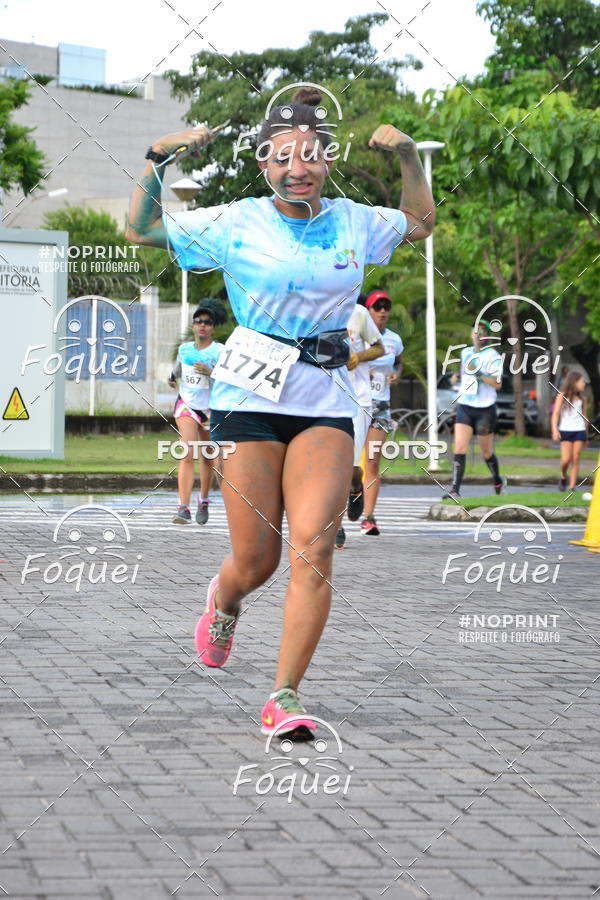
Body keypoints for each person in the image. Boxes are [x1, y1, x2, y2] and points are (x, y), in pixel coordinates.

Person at [126, 87, 435, 738]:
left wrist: (409, 156)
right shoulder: (237, 221)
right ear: (264, 163)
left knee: (315, 548)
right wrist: (157, 160)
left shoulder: (353, 220)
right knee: (256, 560)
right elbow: (143, 230)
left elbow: (418, 222)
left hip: (323, 399)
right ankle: (225, 598)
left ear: (327, 159)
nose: (298, 167)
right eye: (283, 156)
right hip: (249, 399)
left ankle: (284, 695)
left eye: (311, 155)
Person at [168, 300, 226, 524]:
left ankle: (203, 500)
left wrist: (211, 371)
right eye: (198, 321)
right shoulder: (185, 349)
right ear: (193, 326)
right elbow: (176, 370)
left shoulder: (219, 351)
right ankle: (183, 508)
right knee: (187, 452)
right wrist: (172, 379)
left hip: (210, 409)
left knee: (208, 457)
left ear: (213, 327)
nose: (202, 325)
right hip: (187, 405)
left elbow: (228, 379)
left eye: (207, 322)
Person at [334, 303, 384, 549]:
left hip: (358, 397)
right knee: (331, 464)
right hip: (325, 398)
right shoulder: (314, 307)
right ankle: (336, 524)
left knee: (352, 469)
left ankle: (356, 488)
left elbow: (379, 348)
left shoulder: (359, 313)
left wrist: (358, 356)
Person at [443, 320, 506, 501]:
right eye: (475, 332)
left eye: (482, 332)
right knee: (460, 447)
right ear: (471, 335)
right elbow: (466, 373)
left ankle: (497, 481)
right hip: (465, 405)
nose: (478, 335)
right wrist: (458, 377)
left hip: (485, 409)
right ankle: (454, 490)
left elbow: (497, 383)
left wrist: (478, 374)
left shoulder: (493, 355)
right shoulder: (466, 352)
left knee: (485, 452)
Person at [361, 289, 404, 535]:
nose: (383, 311)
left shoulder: (394, 340)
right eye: (377, 307)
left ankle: (369, 517)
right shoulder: (356, 337)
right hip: (356, 404)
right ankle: (355, 492)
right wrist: (358, 372)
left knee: (372, 462)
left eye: (386, 307)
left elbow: (398, 360)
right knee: (347, 466)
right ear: (367, 312)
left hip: (381, 406)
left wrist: (396, 374)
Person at [551, 371, 588, 491]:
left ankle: (572, 487)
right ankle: (563, 475)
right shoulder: (562, 396)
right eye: (582, 381)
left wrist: (586, 435)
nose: (584, 384)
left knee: (576, 458)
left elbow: (584, 417)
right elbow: (555, 414)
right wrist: (555, 430)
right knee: (566, 459)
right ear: (574, 382)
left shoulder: (582, 399)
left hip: (579, 430)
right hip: (565, 430)